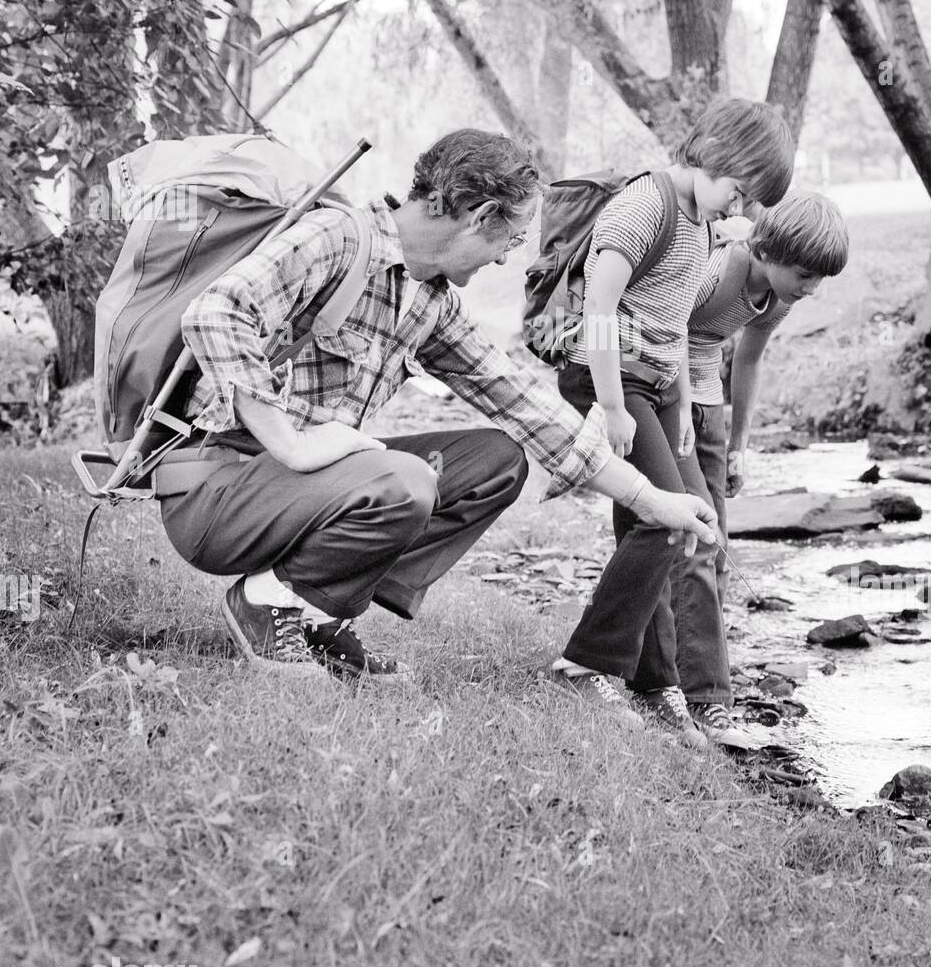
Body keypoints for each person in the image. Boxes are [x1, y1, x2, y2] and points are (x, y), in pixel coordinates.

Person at [156, 129, 718, 680]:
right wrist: (290, 442)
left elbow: (525, 405)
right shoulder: (338, 237)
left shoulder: (429, 298)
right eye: (512, 239)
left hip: (297, 490)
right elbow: (217, 312)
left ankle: (315, 609)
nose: (504, 262)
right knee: (405, 482)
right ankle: (265, 600)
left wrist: (650, 499)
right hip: (219, 488)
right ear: (480, 216)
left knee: (495, 462)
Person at [546, 100, 795, 747]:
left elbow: (679, 324)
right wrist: (610, 405)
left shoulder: (702, 225)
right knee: (666, 515)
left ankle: (657, 685)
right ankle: (585, 663)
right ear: (711, 151)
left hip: (659, 388)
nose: (735, 207)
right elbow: (599, 304)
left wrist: (682, 406)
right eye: (737, 190)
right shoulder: (645, 206)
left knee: (692, 525)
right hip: (610, 378)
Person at [675, 192, 850, 748]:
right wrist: (678, 409)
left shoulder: (778, 293)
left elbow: (747, 358)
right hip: (658, 387)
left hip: (706, 402)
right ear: (768, 248)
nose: (812, 289)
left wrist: (738, 446)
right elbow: (667, 320)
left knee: (716, 543)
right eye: (805, 275)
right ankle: (705, 697)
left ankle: (685, 669)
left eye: (821, 279)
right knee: (694, 536)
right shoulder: (721, 262)